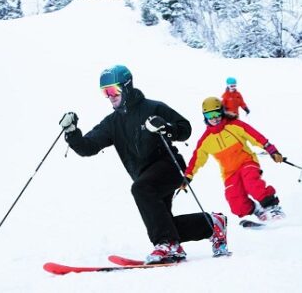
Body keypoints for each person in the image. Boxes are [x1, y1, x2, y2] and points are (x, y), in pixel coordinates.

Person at [59, 65, 230, 264]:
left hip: (169, 167)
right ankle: (212, 224)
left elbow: (185, 129)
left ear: (127, 87)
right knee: (165, 223)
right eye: (105, 92)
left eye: (113, 90)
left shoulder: (153, 108)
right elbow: (88, 147)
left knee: (142, 190)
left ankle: (167, 244)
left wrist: (166, 128)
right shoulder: (112, 123)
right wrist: (72, 133)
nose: (109, 96)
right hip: (145, 175)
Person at [184, 97, 285, 222]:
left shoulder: (235, 126)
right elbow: (196, 160)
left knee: (252, 183)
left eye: (217, 114)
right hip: (229, 172)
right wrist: (188, 176)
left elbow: (256, 136)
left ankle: (273, 208)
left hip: (246, 162)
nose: (214, 118)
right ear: (205, 116)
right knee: (235, 201)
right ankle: (257, 211)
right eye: (210, 115)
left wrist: (272, 150)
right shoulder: (205, 140)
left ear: (222, 112)